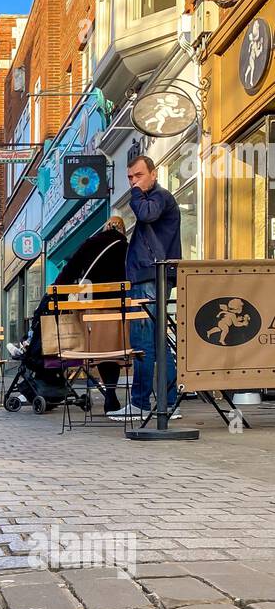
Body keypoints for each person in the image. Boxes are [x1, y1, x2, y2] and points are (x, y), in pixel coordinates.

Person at [14, 216, 129, 416]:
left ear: (106, 226)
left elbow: (70, 270)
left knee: (95, 350)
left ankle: (54, 382)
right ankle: (110, 395)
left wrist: (53, 296)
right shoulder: (127, 246)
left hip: (91, 308)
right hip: (118, 308)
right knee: (110, 351)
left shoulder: (92, 243)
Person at [112, 154, 182, 421]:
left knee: (144, 341)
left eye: (139, 175)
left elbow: (146, 213)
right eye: (130, 177)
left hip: (151, 276)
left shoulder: (159, 198)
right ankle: (168, 402)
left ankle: (142, 402)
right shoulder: (154, 197)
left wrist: (137, 194)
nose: (133, 182)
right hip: (150, 276)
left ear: (154, 174)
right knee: (156, 342)